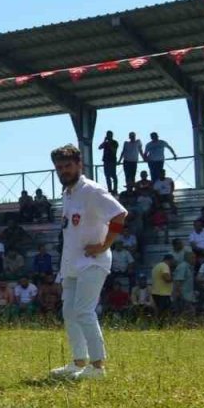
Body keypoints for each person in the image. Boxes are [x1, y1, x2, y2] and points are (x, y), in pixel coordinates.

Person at [48, 144, 127, 380]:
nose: (64, 171)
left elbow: (119, 214)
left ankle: (98, 366)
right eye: (59, 168)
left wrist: (104, 245)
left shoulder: (92, 190)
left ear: (79, 165)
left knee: (84, 311)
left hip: (93, 260)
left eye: (68, 166)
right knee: (69, 312)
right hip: (72, 262)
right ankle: (78, 362)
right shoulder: (68, 193)